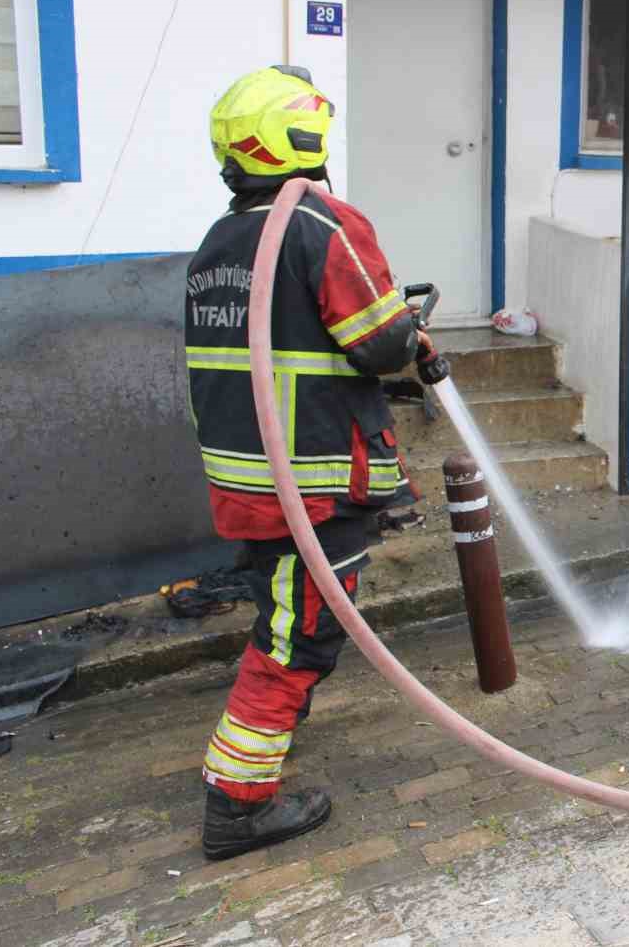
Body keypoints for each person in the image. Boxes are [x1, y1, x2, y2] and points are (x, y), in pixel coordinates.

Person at [186, 65, 430, 859]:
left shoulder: (219, 242)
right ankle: (237, 806)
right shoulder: (321, 224)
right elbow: (380, 344)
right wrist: (410, 327)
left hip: (247, 482)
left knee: (286, 619)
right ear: (306, 137)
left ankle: (257, 757)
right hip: (313, 484)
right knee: (298, 640)